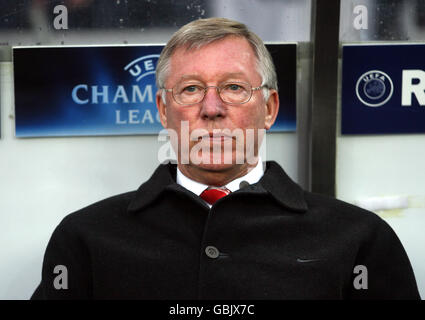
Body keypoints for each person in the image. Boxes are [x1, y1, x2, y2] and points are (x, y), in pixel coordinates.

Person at [31, 17, 420, 300]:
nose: (212, 108)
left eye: (234, 87)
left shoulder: (359, 240)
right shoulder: (85, 238)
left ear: (269, 108)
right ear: (164, 111)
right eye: (191, 89)